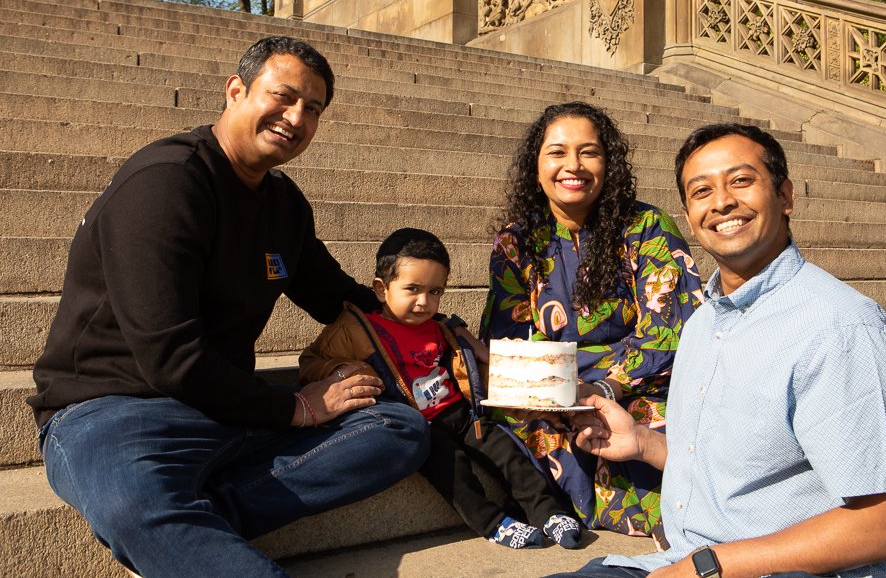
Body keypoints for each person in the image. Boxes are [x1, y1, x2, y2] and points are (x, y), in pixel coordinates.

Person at [28, 36, 430, 578]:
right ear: (236, 90)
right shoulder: (165, 184)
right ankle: (178, 522)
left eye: (312, 109)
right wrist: (298, 409)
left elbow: (335, 296)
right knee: (132, 503)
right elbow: (171, 359)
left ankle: (197, 521)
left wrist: (442, 334)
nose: (295, 118)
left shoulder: (283, 204)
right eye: (283, 97)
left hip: (225, 411)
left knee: (397, 428)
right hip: (110, 412)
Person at [549, 123, 886, 578]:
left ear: (785, 196)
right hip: (687, 561)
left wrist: (707, 567)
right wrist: (643, 443)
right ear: (689, 218)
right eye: (701, 191)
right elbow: (742, 471)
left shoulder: (840, 327)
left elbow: (883, 526)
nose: (721, 202)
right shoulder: (704, 323)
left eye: (741, 181)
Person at [479, 101, 703, 544]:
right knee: (488, 421)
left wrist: (603, 389)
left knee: (658, 423)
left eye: (589, 152)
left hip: (639, 385)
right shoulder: (517, 242)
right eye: (557, 152)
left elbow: (670, 330)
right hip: (553, 392)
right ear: (536, 165)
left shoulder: (645, 227)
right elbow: (508, 339)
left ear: (609, 163)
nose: (573, 166)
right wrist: (553, 391)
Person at [299, 228, 583, 549]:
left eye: (435, 291)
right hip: (418, 426)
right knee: (455, 470)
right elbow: (311, 362)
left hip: (459, 412)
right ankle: (493, 524)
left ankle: (548, 512)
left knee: (508, 452)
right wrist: (339, 370)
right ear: (381, 289)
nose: (424, 302)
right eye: (413, 289)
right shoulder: (354, 330)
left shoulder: (441, 327)